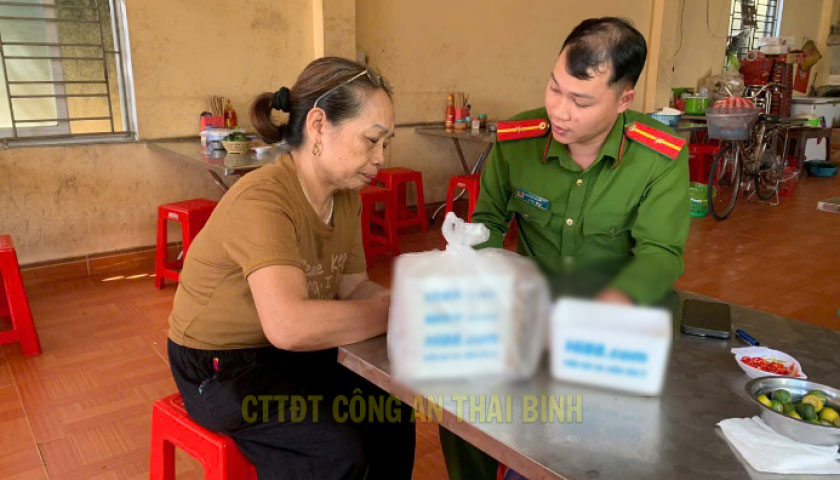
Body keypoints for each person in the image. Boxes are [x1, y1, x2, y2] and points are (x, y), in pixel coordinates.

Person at [440, 17, 690, 479]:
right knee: (460, 395)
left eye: (581, 101)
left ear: (624, 99)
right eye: (554, 89)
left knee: (592, 436)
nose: (560, 111)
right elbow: (489, 222)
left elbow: (660, 256)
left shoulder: (659, 157)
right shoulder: (517, 141)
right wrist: (470, 267)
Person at [167, 57, 415, 480]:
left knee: (392, 406)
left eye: (386, 144)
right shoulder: (264, 199)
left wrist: (414, 305)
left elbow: (354, 287)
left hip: (281, 353)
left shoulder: (345, 197)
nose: (380, 157)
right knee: (335, 451)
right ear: (318, 126)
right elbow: (289, 326)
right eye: (371, 140)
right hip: (220, 367)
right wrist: (399, 314)